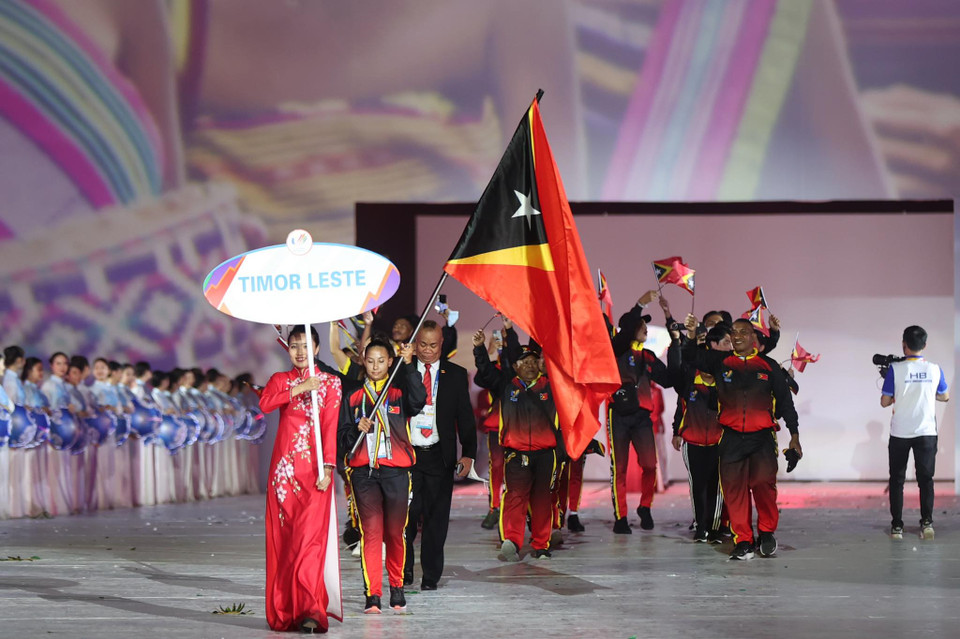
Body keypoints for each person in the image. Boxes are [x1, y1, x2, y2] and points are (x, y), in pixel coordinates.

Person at [682, 314, 802, 560]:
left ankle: (767, 532)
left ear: (753, 338)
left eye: (742, 333)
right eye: (733, 333)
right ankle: (744, 540)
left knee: (763, 486)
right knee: (734, 491)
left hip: (762, 439)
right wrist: (692, 335)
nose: (736, 337)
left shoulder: (768, 367)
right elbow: (691, 356)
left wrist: (794, 435)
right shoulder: (721, 362)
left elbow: (787, 403)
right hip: (731, 438)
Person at [259, 325, 342, 633]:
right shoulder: (280, 381)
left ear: (317, 349)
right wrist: (299, 388)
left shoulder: (331, 383)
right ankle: (285, 610)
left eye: (306, 345)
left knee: (310, 542)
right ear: (288, 348)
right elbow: (265, 404)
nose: (300, 351)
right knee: (286, 544)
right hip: (283, 476)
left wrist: (329, 467)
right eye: (294, 346)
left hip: (315, 474)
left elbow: (330, 425)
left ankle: (310, 610)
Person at [337, 338, 425, 614]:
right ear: (363, 361)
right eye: (370, 361)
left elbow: (419, 402)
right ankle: (372, 594)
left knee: (394, 533)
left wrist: (409, 366)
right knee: (371, 533)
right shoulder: (351, 396)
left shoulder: (398, 391)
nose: (375, 366)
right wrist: (355, 429)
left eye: (381, 361)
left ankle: (396, 588)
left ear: (390, 361)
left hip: (396, 473)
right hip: (364, 474)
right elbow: (341, 438)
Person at [473, 330, 559, 561]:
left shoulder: (550, 387)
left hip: (545, 454)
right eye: (525, 362)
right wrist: (481, 349)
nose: (530, 365)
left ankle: (541, 544)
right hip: (516, 454)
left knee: (542, 500)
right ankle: (511, 540)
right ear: (516, 366)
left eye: (534, 361)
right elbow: (486, 372)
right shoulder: (506, 387)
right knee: (515, 497)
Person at [403, 320, 476, 590]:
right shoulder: (403, 371)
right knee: (405, 519)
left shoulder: (455, 375)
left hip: (439, 457)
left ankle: (431, 576)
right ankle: (404, 570)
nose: (427, 351)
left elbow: (465, 418)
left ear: (442, 344)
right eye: (422, 344)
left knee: (436, 521)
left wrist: (468, 453)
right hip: (407, 457)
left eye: (433, 345)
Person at [608, 290, 679, 534]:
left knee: (650, 465)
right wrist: (639, 304)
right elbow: (626, 332)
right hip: (618, 415)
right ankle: (621, 517)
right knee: (620, 468)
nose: (645, 329)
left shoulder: (647, 356)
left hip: (641, 418)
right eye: (641, 326)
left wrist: (676, 344)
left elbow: (669, 380)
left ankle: (645, 507)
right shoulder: (615, 350)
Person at [880, 325, 949, 540]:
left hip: (900, 432)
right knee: (926, 479)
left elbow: (884, 402)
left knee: (897, 480)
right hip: (926, 432)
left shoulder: (895, 369)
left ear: (904, 345)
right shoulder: (935, 369)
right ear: (925, 345)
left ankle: (897, 526)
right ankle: (927, 523)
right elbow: (944, 396)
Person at [671, 324, 731, 543]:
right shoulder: (689, 381)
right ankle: (700, 527)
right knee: (697, 486)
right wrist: (676, 432)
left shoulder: (724, 383)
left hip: (718, 442)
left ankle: (714, 528)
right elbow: (681, 407)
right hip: (692, 442)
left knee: (716, 486)